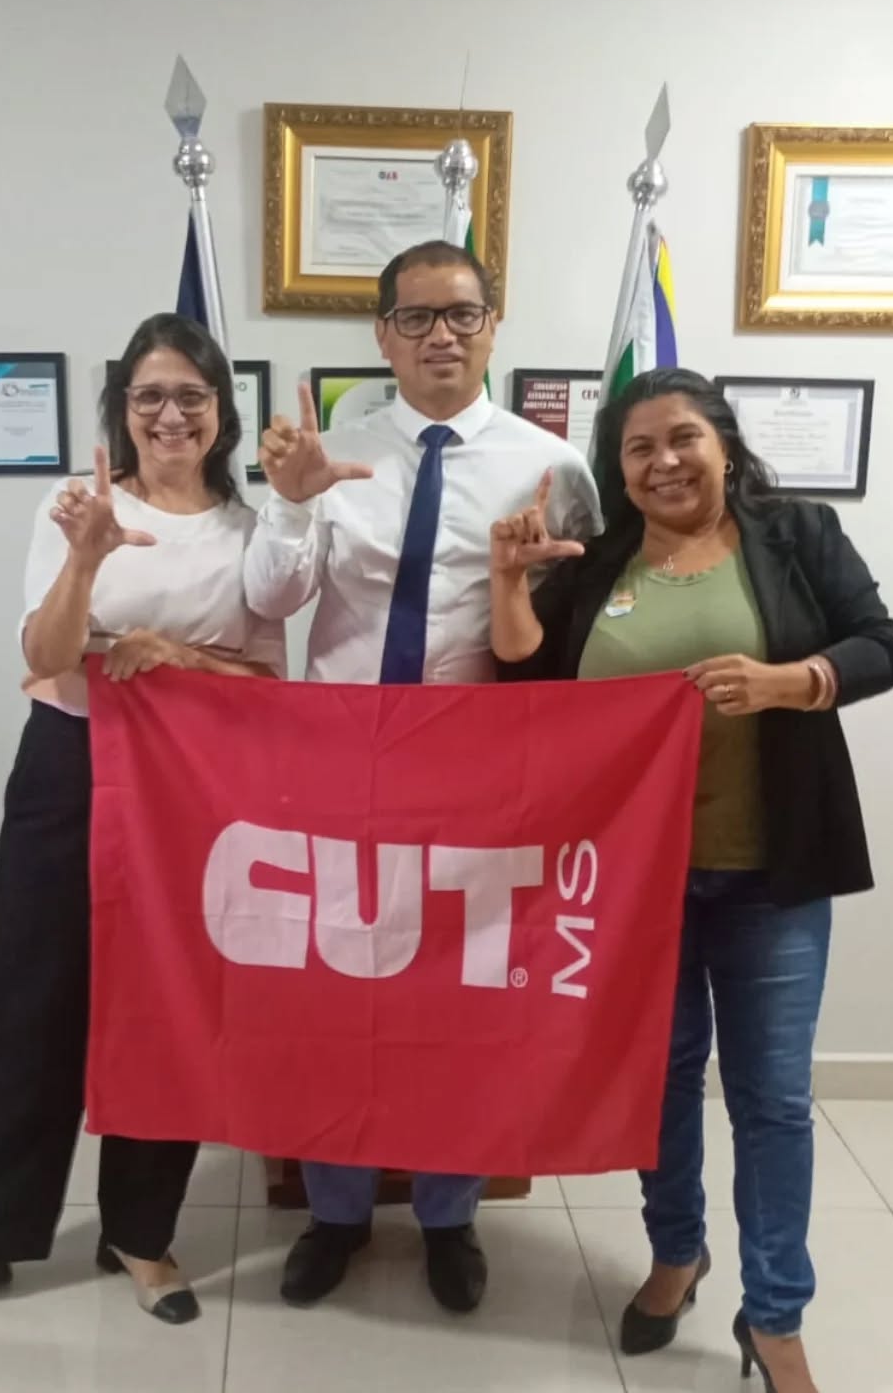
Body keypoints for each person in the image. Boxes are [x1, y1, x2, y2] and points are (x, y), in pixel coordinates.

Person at [0, 313, 285, 1343]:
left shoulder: (250, 529)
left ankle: (140, 1232)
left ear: (222, 411)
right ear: (122, 409)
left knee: (170, 1008)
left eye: (191, 394)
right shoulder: (73, 507)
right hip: (68, 770)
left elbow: (271, 679)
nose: (170, 412)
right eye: (149, 395)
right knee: (35, 1004)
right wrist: (86, 562)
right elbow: (47, 653)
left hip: (196, 788)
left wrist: (181, 658)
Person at [489, 367, 893, 1393]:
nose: (665, 462)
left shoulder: (795, 534)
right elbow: (522, 677)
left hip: (771, 874)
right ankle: (677, 1252)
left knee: (772, 1102)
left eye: (684, 439)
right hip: (634, 887)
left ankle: (775, 1319)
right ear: (618, 472)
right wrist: (507, 583)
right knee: (662, 1083)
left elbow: (878, 647)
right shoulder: (601, 559)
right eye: (639, 449)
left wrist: (792, 682)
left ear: (724, 443)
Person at [243, 238, 602, 1313]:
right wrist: (294, 501)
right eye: (416, 318)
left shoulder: (553, 467)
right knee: (333, 994)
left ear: (494, 326)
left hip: (479, 772)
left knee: (461, 999)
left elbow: (570, 641)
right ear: (382, 336)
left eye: (461, 314)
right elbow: (270, 602)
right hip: (341, 763)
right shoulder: (331, 451)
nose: (440, 334)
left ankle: (450, 1213)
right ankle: (337, 1209)